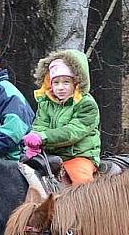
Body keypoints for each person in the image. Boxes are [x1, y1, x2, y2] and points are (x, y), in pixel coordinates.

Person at [23, 49, 100, 185]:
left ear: (77, 83)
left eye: (66, 82)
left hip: (78, 156)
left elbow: (72, 132)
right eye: (56, 82)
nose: (60, 87)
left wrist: (43, 137)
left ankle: (87, 204)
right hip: (51, 154)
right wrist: (33, 140)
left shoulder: (86, 104)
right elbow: (40, 124)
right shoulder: (46, 103)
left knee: (81, 182)